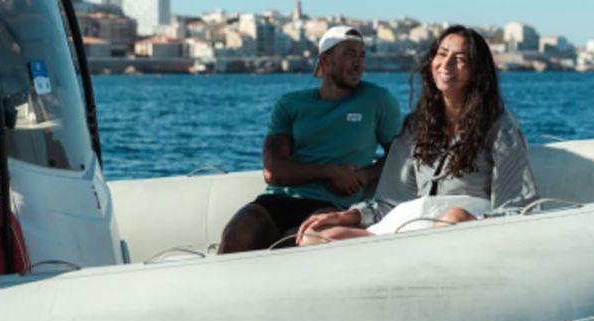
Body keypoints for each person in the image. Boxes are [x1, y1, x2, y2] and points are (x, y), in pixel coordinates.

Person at [296, 25, 539, 245]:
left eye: (460, 58)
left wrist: (471, 220)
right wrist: (348, 215)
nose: (446, 64)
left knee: (451, 218)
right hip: (411, 225)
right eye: (442, 54)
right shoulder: (416, 125)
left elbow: (515, 205)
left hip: (466, 225)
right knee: (314, 236)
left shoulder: (499, 126)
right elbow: (390, 201)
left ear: (476, 71)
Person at [218, 25, 402, 253]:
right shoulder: (290, 104)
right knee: (239, 233)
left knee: (293, 242)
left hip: (333, 205)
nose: (358, 63)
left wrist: (365, 175)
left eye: (362, 55)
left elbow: (400, 155)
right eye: (349, 54)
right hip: (279, 199)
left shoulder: (377, 100)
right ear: (325, 59)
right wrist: (331, 172)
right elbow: (273, 171)